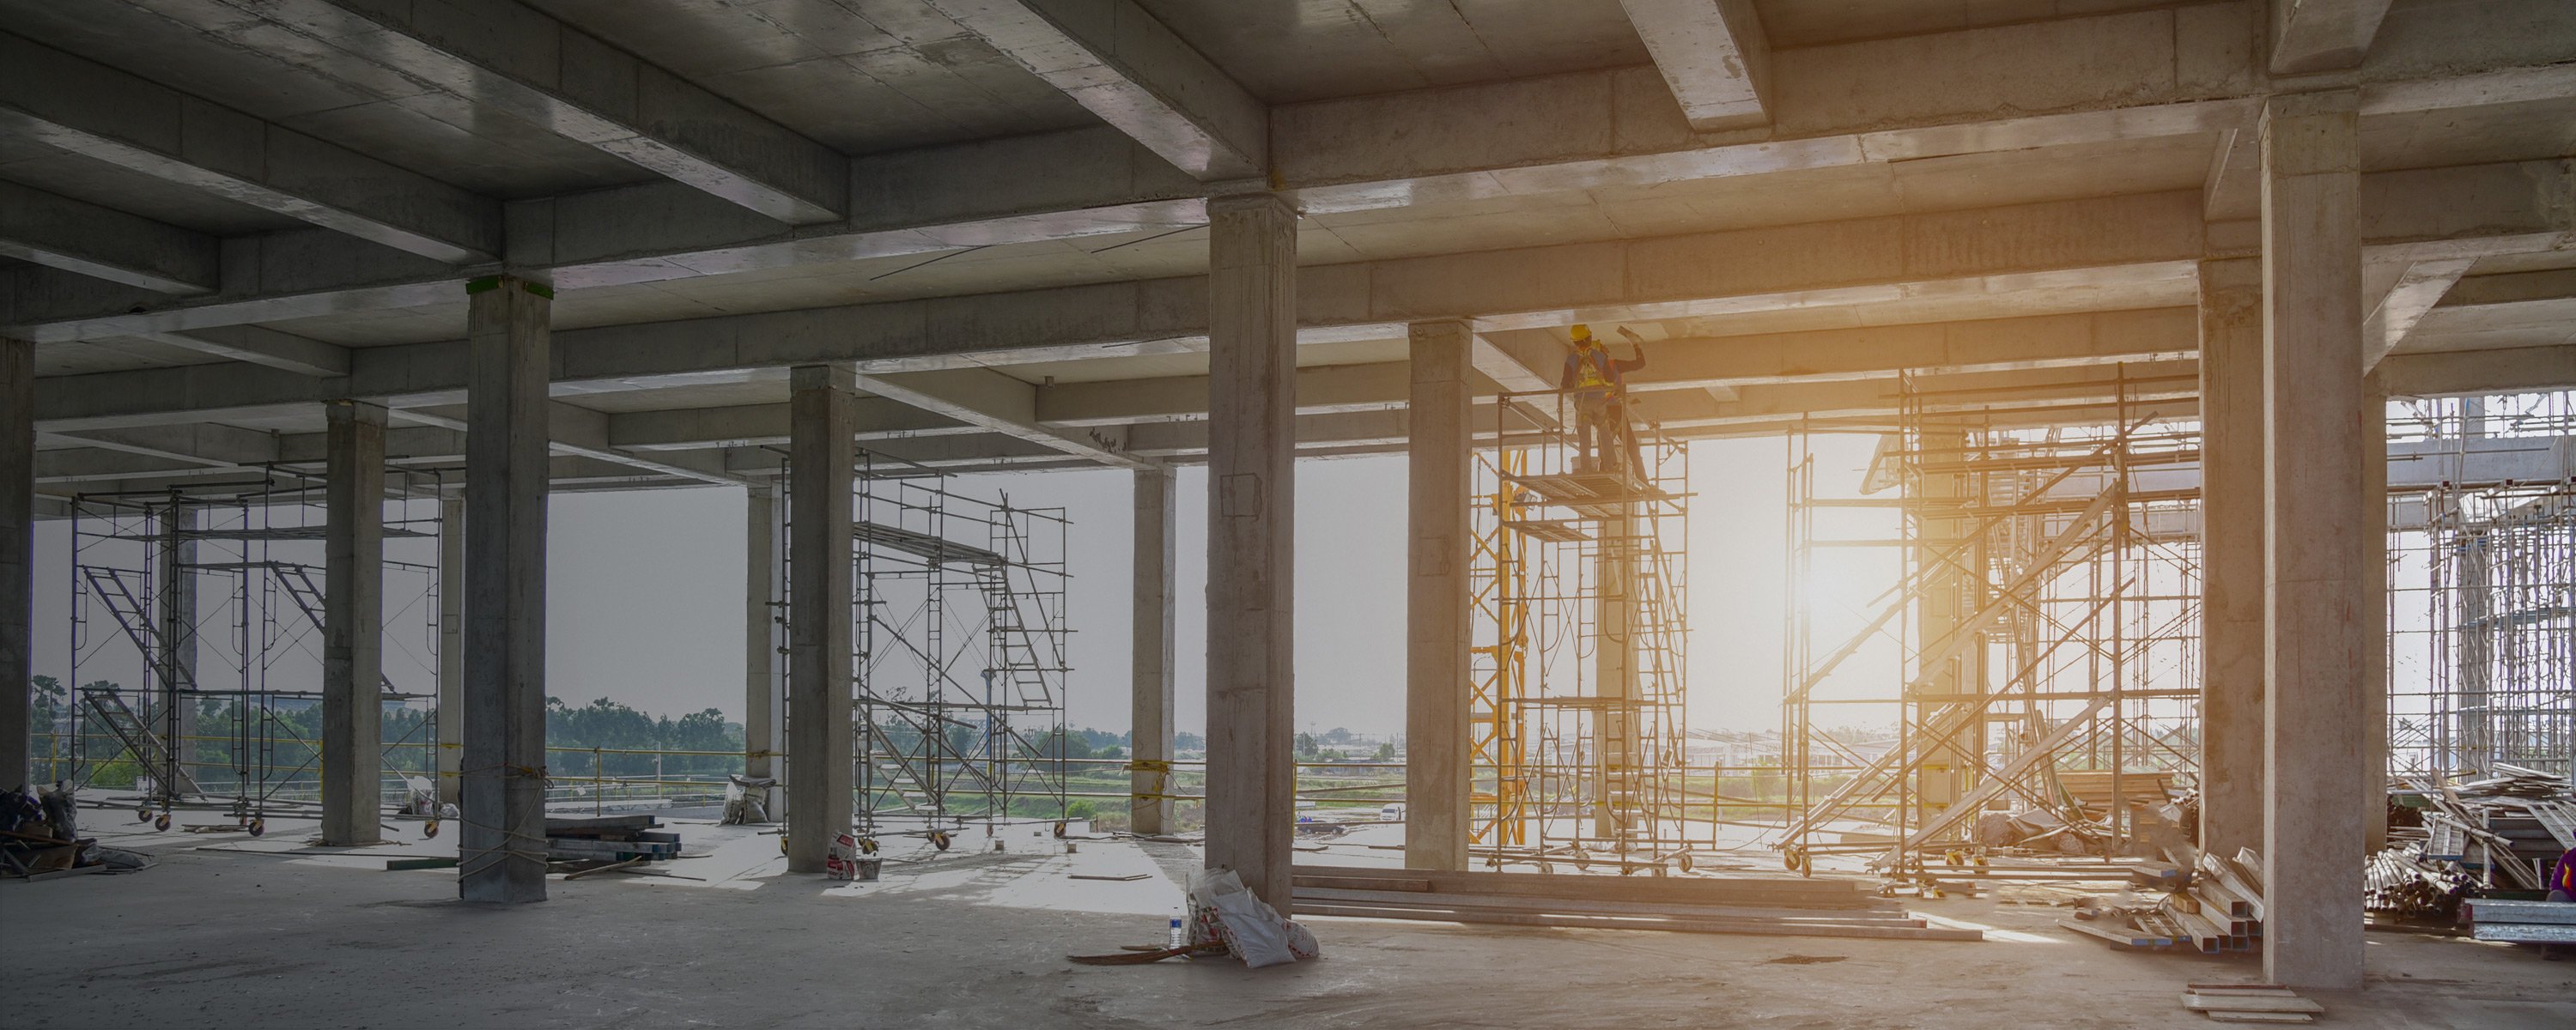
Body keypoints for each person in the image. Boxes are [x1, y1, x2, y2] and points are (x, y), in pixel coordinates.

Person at [1558, 324, 1648, 476]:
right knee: (1611, 437)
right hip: (1605, 404)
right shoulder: (1604, 360)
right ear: (1591, 340)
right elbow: (1618, 373)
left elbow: (1565, 384)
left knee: (1586, 437)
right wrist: (1635, 345)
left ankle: (1587, 469)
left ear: (1574, 342)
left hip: (1583, 402)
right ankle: (1614, 467)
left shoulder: (1572, 359)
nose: (1607, 348)